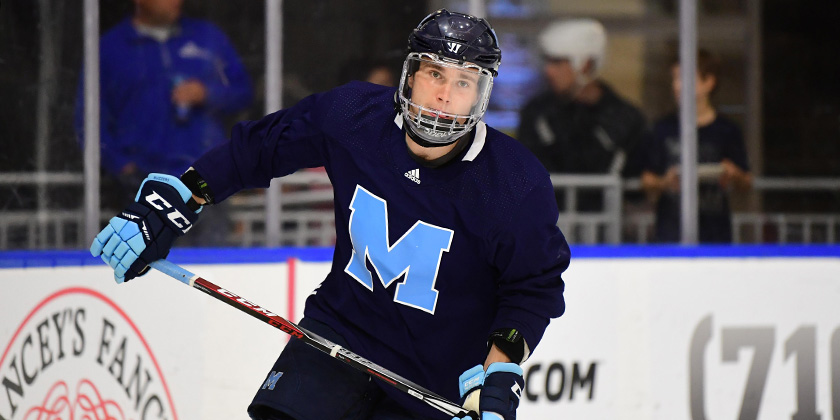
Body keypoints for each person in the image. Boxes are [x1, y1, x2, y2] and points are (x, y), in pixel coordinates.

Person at [89, 9, 569, 420]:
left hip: (433, 380)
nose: (446, 94)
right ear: (409, 75)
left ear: (482, 94)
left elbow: (534, 287)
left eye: (464, 81)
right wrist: (180, 198)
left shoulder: (514, 183)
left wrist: (501, 366)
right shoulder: (353, 116)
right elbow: (258, 149)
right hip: (336, 336)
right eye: (434, 73)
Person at [74, 0, 254, 201]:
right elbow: (88, 121)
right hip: (141, 182)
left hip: (206, 177)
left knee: (210, 231)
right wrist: (122, 166)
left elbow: (243, 91)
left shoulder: (207, 37)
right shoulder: (109, 50)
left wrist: (207, 93)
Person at [517, 19, 649, 212]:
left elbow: (637, 187)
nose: (549, 70)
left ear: (585, 65)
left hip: (607, 236)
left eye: (558, 62)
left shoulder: (626, 118)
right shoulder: (536, 113)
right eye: (547, 61)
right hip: (545, 232)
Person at [640, 49, 752, 243]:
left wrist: (732, 173)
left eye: (683, 78)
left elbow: (747, 182)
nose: (676, 86)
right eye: (674, 78)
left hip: (715, 233)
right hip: (670, 232)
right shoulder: (662, 128)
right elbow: (647, 179)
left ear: (708, 82)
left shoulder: (727, 130)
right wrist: (666, 182)